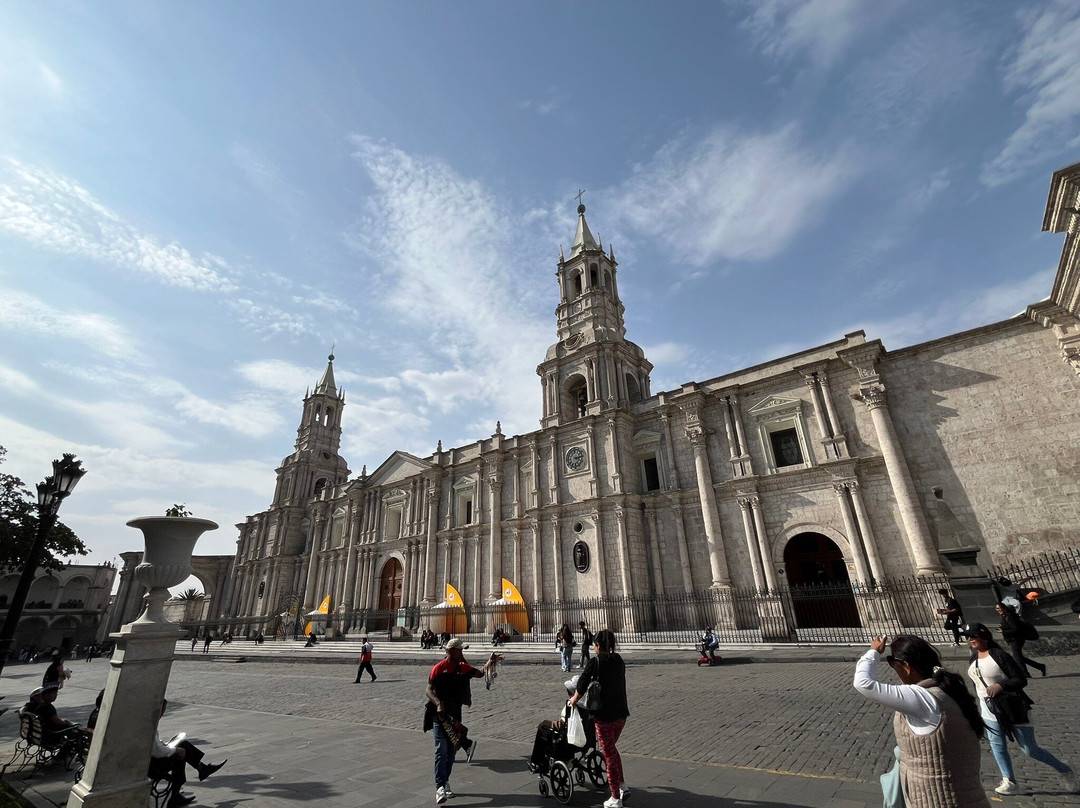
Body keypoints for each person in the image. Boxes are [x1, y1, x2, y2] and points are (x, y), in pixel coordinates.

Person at [853, 634, 989, 808]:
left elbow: (863, 683)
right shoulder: (946, 690)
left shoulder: (922, 700)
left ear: (906, 667)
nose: (893, 668)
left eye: (892, 662)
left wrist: (873, 652)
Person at [963, 623, 1076, 795]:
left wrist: (1001, 685)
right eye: (967, 636)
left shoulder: (1000, 656)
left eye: (973, 636)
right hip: (989, 711)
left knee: (1030, 749)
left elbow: (1020, 679)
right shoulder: (974, 659)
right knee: (997, 746)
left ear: (984, 636)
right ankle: (1009, 780)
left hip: (1012, 708)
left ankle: (1064, 769)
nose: (970, 639)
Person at [424, 638, 501, 804]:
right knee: (440, 750)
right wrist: (438, 703)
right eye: (460, 650)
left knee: (451, 752)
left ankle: (445, 782)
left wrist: (490, 661)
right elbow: (428, 690)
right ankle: (439, 786)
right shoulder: (438, 668)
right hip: (440, 716)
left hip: (455, 717)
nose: (462, 653)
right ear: (451, 651)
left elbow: (480, 674)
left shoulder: (462, 667)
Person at [569, 629, 630, 808]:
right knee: (611, 749)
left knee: (608, 754)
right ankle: (621, 785)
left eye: (594, 645)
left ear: (597, 646)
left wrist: (573, 699)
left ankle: (615, 798)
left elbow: (582, 684)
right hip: (621, 713)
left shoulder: (595, 662)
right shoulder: (618, 660)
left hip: (604, 715)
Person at [149, 699, 227, 808]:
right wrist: (175, 750)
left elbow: (155, 746)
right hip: (154, 766)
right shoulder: (149, 725)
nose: (162, 714)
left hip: (151, 762)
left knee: (182, 744)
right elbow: (157, 751)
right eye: (162, 710)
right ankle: (200, 771)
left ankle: (201, 769)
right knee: (181, 752)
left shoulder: (147, 722)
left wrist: (167, 745)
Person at [995, 602, 1045, 678]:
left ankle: (1025, 673)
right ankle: (1039, 666)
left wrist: (1003, 631)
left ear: (1004, 608)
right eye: (997, 608)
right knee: (1019, 657)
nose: (998, 610)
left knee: (1017, 657)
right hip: (1011, 639)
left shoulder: (1010, 617)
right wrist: (1005, 637)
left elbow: (1015, 629)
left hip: (1017, 639)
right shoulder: (1003, 617)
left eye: (999, 608)